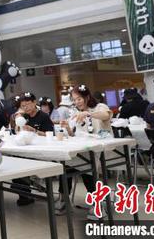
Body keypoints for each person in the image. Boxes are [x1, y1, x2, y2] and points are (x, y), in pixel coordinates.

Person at [59, 84, 112, 219]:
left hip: (99, 149)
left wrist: (88, 113)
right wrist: (68, 129)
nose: (77, 102)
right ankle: (64, 199)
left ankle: (98, 204)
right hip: (82, 149)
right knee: (64, 166)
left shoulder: (99, 108)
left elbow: (106, 115)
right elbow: (75, 135)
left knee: (87, 166)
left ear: (87, 97)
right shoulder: (76, 113)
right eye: (74, 99)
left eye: (79, 99)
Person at [10, 92, 54, 206]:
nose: (26, 108)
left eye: (28, 104)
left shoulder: (43, 116)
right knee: (15, 164)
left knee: (21, 166)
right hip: (26, 151)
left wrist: (34, 130)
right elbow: (16, 132)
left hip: (41, 151)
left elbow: (50, 134)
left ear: (34, 103)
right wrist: (17, 120)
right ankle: (24, 195)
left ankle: (30, 184)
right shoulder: (24, 116)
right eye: (23, 106)